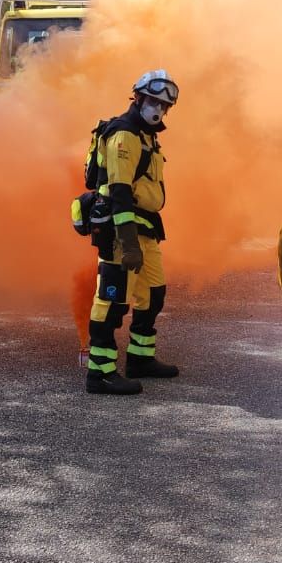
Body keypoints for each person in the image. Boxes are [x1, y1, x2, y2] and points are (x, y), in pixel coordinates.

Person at [84, 70, 181, 395]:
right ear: (137, 97)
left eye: (165, 105)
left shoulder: (146, 135)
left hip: (146, 228)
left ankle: (140, 359)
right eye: (154, 101)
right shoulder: (125, 135)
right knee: (112, 302)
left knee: (153, 294)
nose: (159, 109)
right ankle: (101, 373)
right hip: (121, 230)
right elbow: (121, 192)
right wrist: (127, 244)